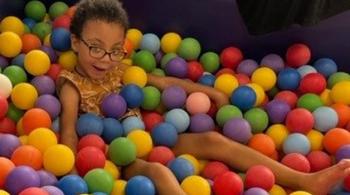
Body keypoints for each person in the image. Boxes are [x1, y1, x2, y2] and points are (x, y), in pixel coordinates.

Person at [57, 0, 350, 194]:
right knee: (157, 171)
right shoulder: (72, 85)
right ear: (74, 42)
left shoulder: (121, 70)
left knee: (213, 140)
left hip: (153, 136)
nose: (105, 59)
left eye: (114, 50)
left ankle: (304, 180)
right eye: (95, 48)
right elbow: (69, 133)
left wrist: (212, 93)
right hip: (113, 156)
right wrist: (73, 176)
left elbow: (165, 81)